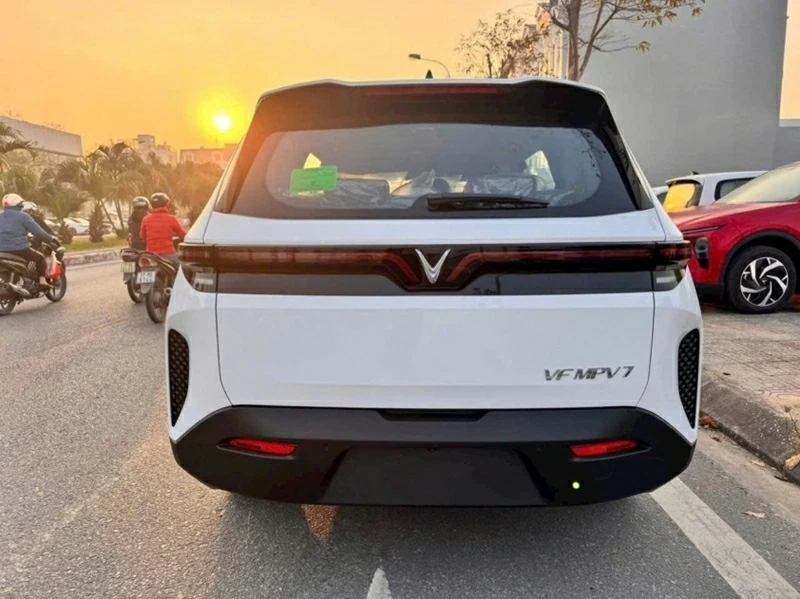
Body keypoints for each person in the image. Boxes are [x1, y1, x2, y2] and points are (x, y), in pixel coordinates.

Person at [0, 193, 59, 287]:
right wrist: (51, 238)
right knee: (40, 258)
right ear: (18, 204)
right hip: (19, 249)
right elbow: (39, 233)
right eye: (21, 204)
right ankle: (42, 281)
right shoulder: (24, 216)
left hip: (1, 251)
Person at [140, 193, 185, 264]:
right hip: (168, 253)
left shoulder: (145, 219)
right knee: (181, 268)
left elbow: (142, 236)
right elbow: (182, 234)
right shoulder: (171, 218)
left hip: (151, 254)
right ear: (166, 204)